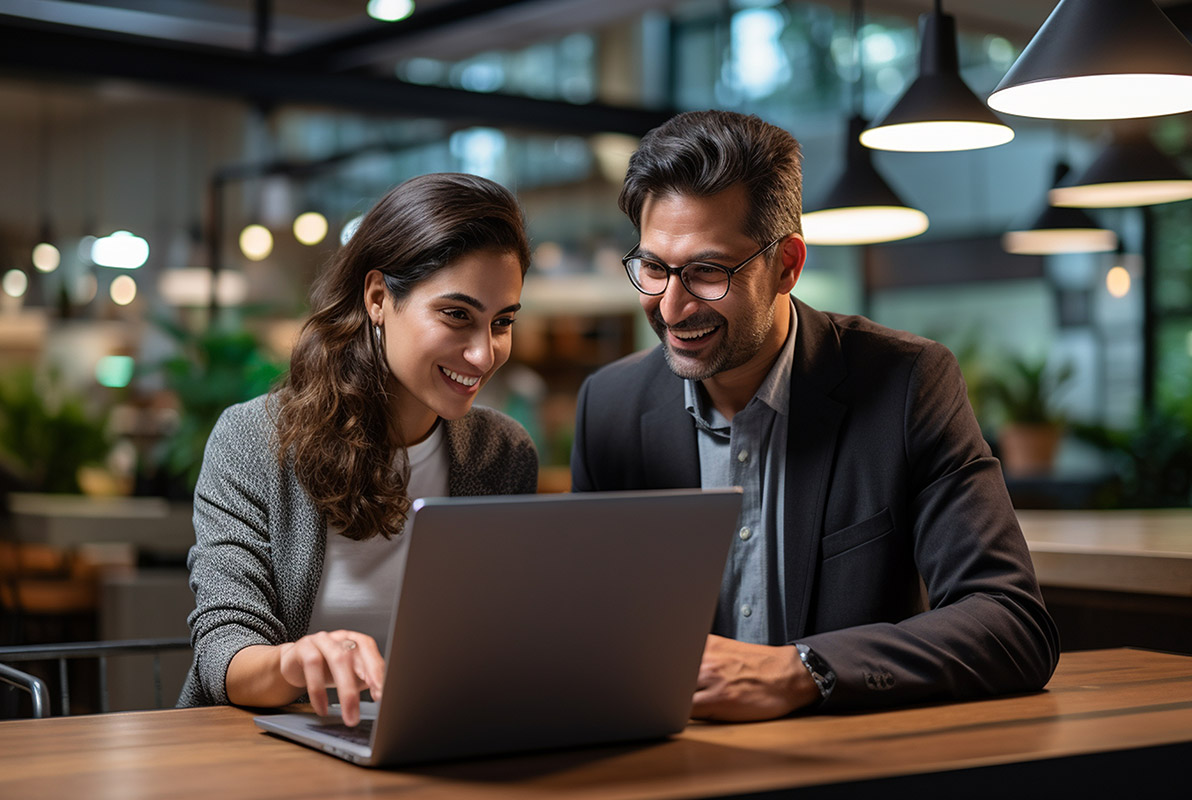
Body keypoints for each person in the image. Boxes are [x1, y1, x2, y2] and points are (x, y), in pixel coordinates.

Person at [571, 110, 1060, 721]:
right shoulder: (609, 407)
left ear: (788, 265)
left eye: (706, 272)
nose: (670, 306)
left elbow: (1011, 623)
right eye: (653, 268)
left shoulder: (907, 384)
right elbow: (589, 630)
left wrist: (803, 669)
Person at [178, 173, 538, 726]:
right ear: (377, 298)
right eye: (457, 315)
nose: (483, 353)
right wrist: (296, 662)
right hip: (268, 750)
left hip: (434, 744)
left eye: (502, 322)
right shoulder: (254, 440)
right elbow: (223, 656)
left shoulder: (501, 454)